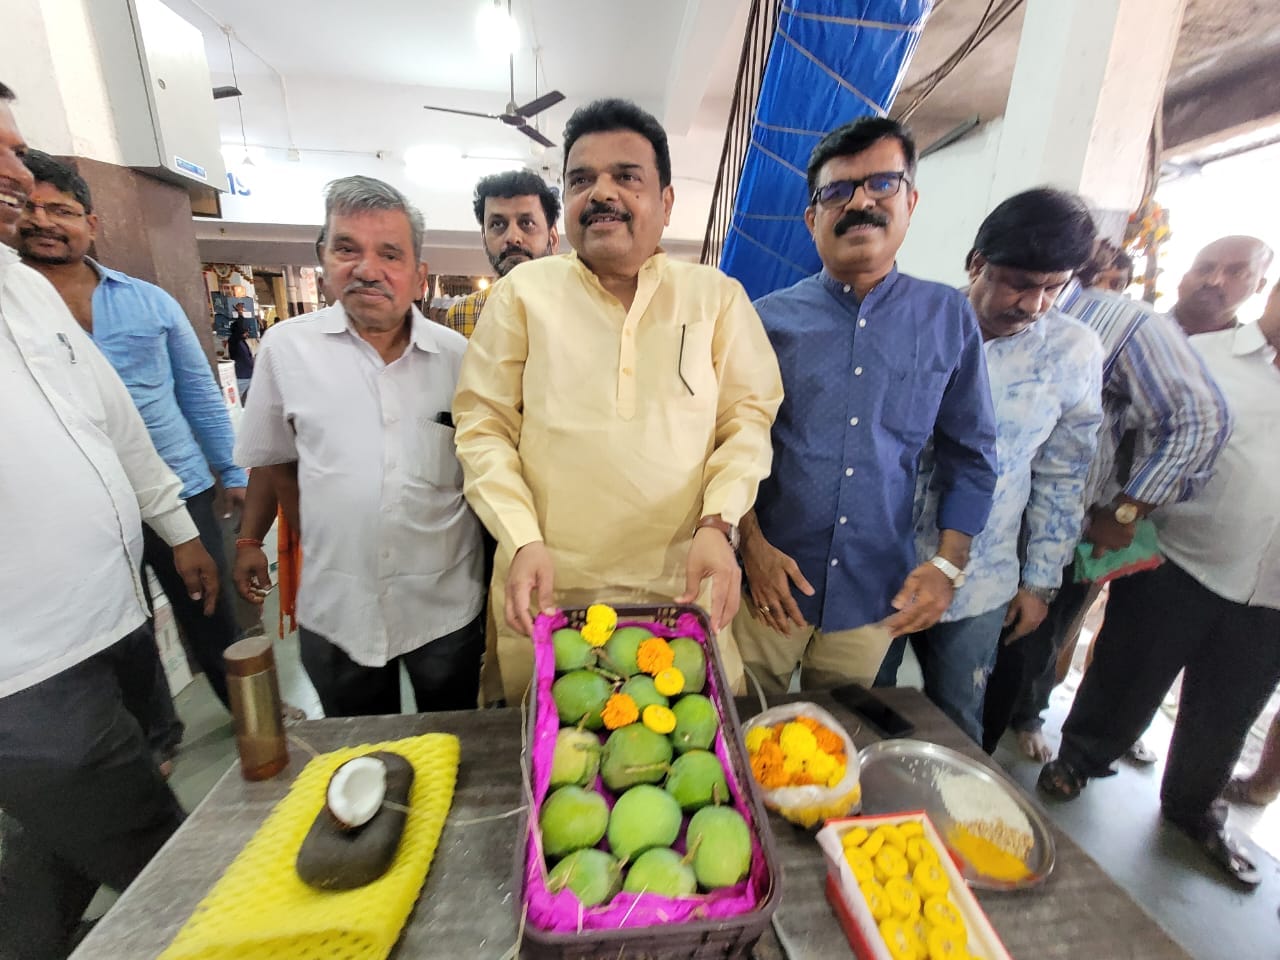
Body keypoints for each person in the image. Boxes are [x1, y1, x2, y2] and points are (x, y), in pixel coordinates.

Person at [453, 98, 783, 705]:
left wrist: (720, 520)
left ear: (665, 202)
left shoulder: (716, 299)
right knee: (557, 762)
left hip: (680, 589)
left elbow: (748, 420)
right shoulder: (524, 294)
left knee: (682, 751)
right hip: (550, 587)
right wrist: (520, 536)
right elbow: (482, 427)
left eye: (626, 176)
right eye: (581, 180)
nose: (601, 193)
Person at [0, 82, 218, 960]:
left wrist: (179, 525)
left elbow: (113, 423)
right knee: (164, 860)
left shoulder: (22, 291)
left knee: (54, 845)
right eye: (4, 150)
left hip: (111, 616)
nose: (17, 171)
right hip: (27, 665)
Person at [1038, 236, 1277, 889]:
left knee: (1229, 706)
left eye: (1236, 273)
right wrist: (1119, 523)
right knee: (1127, 668)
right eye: (1208, 266)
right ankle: (1079, 758)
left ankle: (1193, 805)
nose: (1216, 281)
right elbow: (1133, 441)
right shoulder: (1201, 354)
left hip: (1272, 592)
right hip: (1178, 555)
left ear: (1259, 282)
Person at [732, 117, 998, 693]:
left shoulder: (948, 319)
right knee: (742, 721)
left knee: (840, 736)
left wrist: (948, 563)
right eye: (837, 191)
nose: (860, 202)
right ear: (813, 218)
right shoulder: (763, 320)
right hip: (769, 584)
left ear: (910, 200)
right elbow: (727, 444)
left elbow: (971, 456)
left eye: (881, 184)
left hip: (876, 587)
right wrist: (750, 547)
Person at [235, 176, 486, 717]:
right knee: (354, 757)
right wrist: (269, 538)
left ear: (419, 275)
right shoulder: (285, 350)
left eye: (390, 254)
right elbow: (274, 458)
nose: (368, 269)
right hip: (337, 610)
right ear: (323, 261)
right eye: (347, 248)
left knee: (453, 744)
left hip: (444, 609)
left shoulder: (460, 359)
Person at [17, 150, 247, 720]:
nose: (44, 221)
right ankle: (155, 737)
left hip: (178, 486)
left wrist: (234, 473)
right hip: (73, 508)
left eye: (62, 211)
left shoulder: (149, 301)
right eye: (32, 208)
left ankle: (247, 712)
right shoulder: (14, 310)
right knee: (119, 629)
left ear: (91, 224)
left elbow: (199, 396)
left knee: (209, 609)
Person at [982, 250, 1233, 761]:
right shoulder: (976, 310)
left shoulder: (1124, 323)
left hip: (1050, 522)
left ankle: (1005, 730)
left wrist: (1125, 509)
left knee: (1027, 639)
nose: (1033, 300)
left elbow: (1201, 420)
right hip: (981, 517)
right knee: (978, 647)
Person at [875, 189, 1103, 744]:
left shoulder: (1071, 353)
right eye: (1021, 283)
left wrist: (1040, 583)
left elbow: (1061, 475)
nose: (1034, 304)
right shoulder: (909, 325)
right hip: (882, 564)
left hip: (981, 576)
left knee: (958, 717)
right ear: (977, 263)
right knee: (868, 706)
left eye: (1054, 287)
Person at [444, 169, 560, 338]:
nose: (512, 238)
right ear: (484, 238)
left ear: (553, 238)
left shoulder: (580, 309)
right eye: (498, 224)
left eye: (527, 223)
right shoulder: (463, 315)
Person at [226, 317, 254, 402]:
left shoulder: (238, 341)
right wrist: (240, 315)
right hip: (243, 376)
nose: (247, 334)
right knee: (237, 399)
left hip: (244, 375)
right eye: (245, 332)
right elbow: (247, 359)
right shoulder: (237, 342)